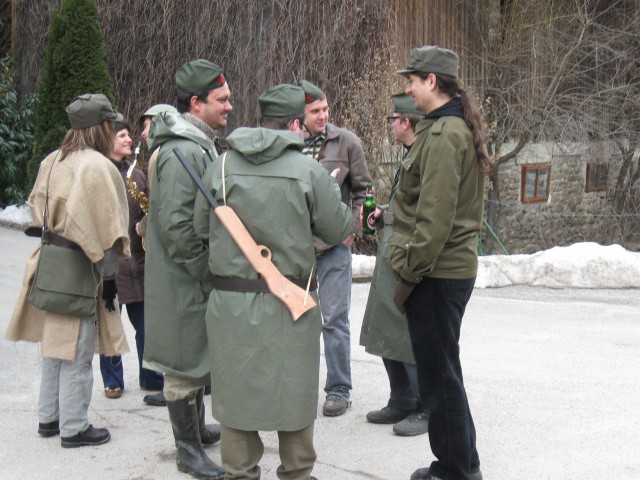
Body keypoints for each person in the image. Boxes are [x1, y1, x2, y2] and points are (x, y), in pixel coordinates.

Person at [193, 83, 352, 480]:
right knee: (293, 388)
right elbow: (338, 229)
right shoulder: (308, 170)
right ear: (295, 123)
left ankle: (240, 471)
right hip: (290, 303)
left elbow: (199, 228)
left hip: (231, 305)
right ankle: (297, 473)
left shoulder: (221, 166)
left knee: (235, 391)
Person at [5, 93, 130, 448]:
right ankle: (74, 427)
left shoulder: (53, 159)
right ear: (101, 127)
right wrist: (108, 278)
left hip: (49, 262)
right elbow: (110, 230)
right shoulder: (98, 166)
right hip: (80, 269)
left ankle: (49, 419)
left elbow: (36, 208)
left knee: (52, 346)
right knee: (77, 349)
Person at [393, 46, 492, 480]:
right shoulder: (446, 128)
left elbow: (433, 220)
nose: (407, 89)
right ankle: (462, 459)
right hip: (447, 269)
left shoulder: (443, 134)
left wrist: (408, 276)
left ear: (432, 81)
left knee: (438, 379)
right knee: (444, 370)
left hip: (436, 273)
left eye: (411, 80)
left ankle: (454, 471)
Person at [143, 59, 230, 480]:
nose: (229, 107)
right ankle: (187, 452)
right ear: (196, 103)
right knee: (182, 362)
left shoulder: (193, 143)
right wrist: (204, 272)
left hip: (186, 278)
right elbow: (177, 225)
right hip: (184, 279)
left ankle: (195, 431)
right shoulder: (182, 150)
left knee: (194, 355)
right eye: (222, 100)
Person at [298, 79, 372, 417]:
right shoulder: (288, 144)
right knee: (296, 318)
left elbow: (363, 191)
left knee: (335, 319)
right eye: (315, 111)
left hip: (333, 247)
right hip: (296, 249)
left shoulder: (346, 143)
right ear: (299, 114)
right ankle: (298, 385)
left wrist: (350, 232)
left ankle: (339, 390)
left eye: (325, 109)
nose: (322, 116)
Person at [359, 93, 429, 437]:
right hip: (392, 254)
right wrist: (382, 214)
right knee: (387, 328)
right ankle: (401, 399)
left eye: (394, 120)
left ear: (407, 123)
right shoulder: (409, 155)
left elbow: (425, 215)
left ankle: (425, 406)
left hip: (408, 258)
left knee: (408, 334)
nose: (391, 125)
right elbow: (405, 207)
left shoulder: (424, 157)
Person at [98, 120, 165, 404]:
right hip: (109, 263)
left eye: (128, 135)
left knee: (147, 326)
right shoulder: (99, 173)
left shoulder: (137, 174)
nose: (129, 140)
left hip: (137, 261)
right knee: (111, 326)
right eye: (121, 135)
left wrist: (145, 227)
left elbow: (151, 209)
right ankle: (113, 381)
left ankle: (150, 376)